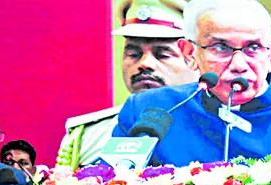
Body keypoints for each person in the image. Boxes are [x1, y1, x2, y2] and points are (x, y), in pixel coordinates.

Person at [112, 0, 271, 172]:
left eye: (253, 48)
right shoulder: (147, 110)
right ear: (189, 53)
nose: (239, 64)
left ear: (270, 56)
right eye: (221, 48)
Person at [56, 0, 199, 168]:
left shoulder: (223, 131)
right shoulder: (89, 135)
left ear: (195, 59)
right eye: (134, 54)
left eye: (162, 55)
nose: (145, 64)